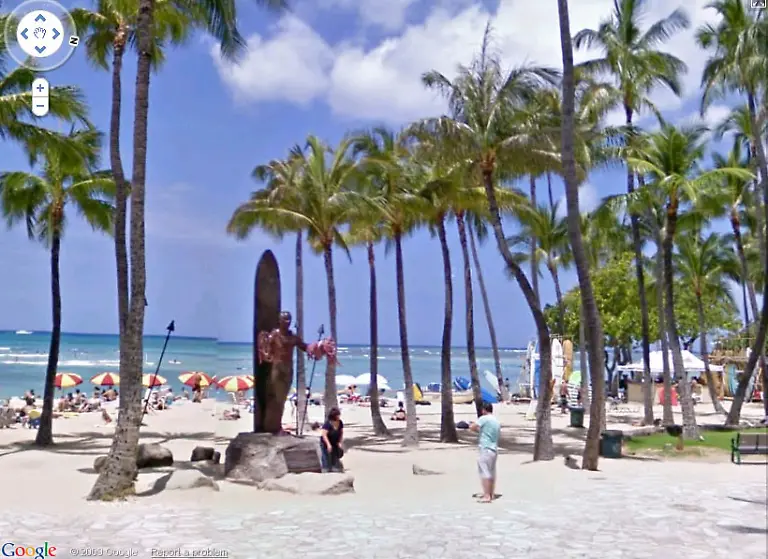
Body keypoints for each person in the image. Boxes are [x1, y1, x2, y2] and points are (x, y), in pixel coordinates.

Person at [470, 402, 500, 504]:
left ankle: (487, 496)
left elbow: (473, 427)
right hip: (493, 449)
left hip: (485, 448)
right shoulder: (496, 420)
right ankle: (490, 493)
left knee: (484, 472)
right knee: (491, 473)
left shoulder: (484, 418)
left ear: (484, 410)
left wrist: (477, 429)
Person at [319, 407, 344, 473]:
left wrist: (339, 442)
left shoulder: (340, 422)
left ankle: (335, 468)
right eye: (337, 415)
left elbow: (341, 432)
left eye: (339, 415)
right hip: (325, 442)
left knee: (335, 455)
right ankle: (325, 469)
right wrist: (328, 444)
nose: (339, 416)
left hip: (335, 441)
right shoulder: (328, 423)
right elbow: (324, 435)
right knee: (325, 456)